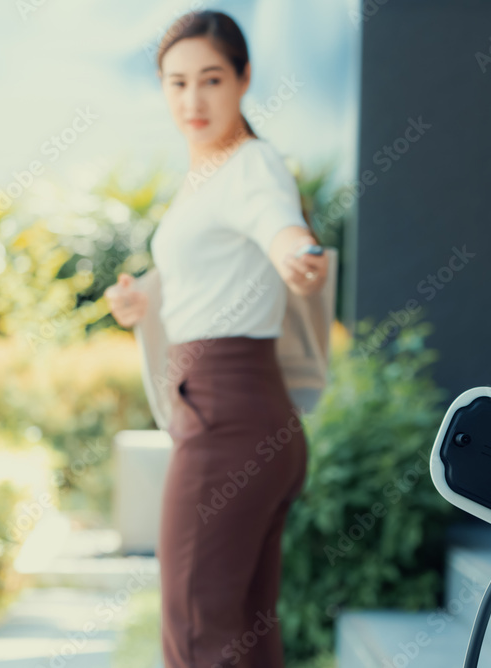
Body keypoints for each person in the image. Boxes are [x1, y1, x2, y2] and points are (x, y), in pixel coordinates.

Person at [105, 9, 329, 668]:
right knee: (245, 640)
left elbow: (282, 231)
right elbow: (213, 275)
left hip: (229, 419)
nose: (192, 100)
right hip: (245, 417)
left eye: (209, 80)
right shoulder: (205, 171)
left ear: (244, 78)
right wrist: (145, 298)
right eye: (176, 84)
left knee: (197, 630)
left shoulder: (251, 165)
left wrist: (300, 257)